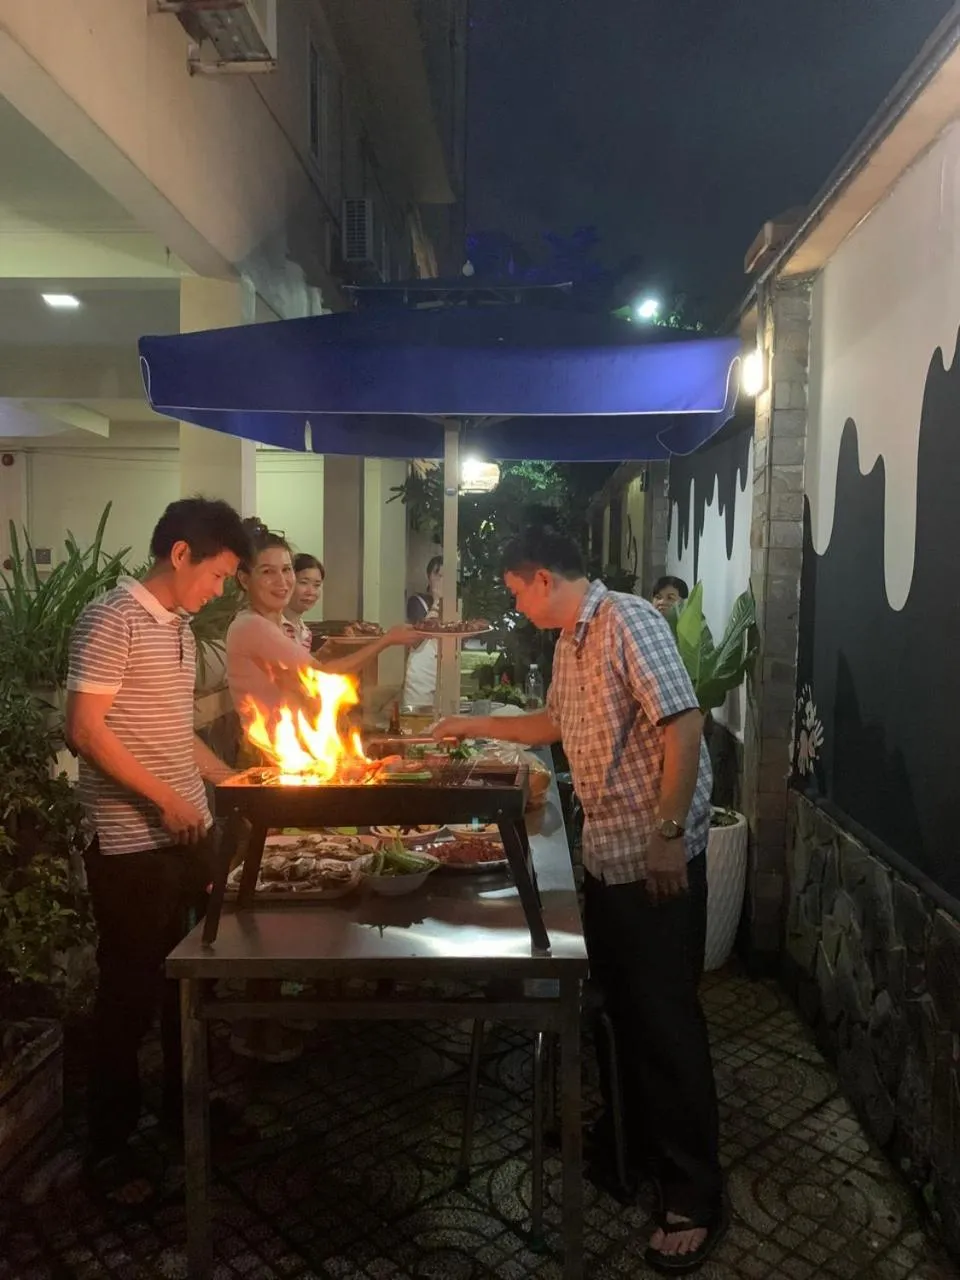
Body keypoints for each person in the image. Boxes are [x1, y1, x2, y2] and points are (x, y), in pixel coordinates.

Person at [433, 528, 725, 1274]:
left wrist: (665, 834)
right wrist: (466, 727)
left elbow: (683, 723)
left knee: (664, 1019)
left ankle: (693, 1189)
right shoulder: (570, 640)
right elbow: (553, 727)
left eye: (513, 591)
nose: (514, 604)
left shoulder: (629, 619)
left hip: (650, 855)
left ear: (538, 578)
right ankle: (627, 1145)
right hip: (608, 855)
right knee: (624, 1013)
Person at [65, 496, 252, 1196]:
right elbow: (84, 729)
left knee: (191, 982)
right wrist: (164, 799)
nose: (217, 590)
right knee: (129, 995)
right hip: (130, 845)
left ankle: (183, 1113)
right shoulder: (112, 617)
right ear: (181, 555)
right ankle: (108, 1147)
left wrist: (236, 782)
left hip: (188, 835)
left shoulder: (175, 627)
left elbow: (172, 736)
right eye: (217, 575)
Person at [285, 552, 325, 651]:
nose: (311, 592)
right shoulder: (273, 626)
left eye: (317, 585)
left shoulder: (305, 632)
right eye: (303, 583)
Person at [406, 554, 443, 624]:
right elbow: (421, 628)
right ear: (428, 577)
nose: (441, 581)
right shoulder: (416, 601)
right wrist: (436, 602)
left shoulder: (451, 604)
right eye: (438, 575)